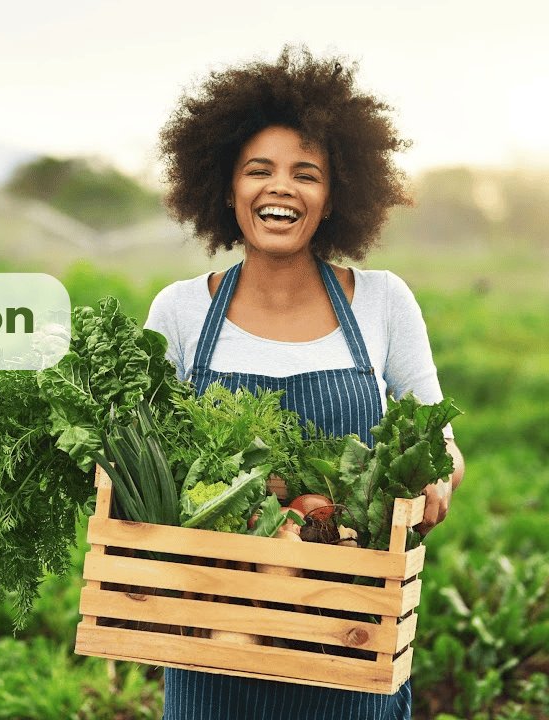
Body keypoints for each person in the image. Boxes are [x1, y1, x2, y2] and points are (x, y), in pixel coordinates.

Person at [142, 47, 466, 720]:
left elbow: (439, 438)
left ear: (335, 195)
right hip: (216, 646)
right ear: (226, 188)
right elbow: (147, 460)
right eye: (258, 170)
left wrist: (439, 475)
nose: (280, 188)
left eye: (306, 174)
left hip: (349, 638)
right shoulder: (180, 310)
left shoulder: (383, 301)